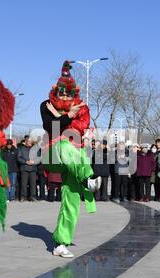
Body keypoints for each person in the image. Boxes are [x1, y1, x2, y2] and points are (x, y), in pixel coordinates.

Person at [40, 61, 101, 258]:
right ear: (56, 91)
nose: (64, 96)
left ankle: (60, 243)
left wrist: (61, 115)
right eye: (61, 92)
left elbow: (80, 128)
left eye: (68, 93)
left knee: (71, 200)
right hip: (54, 153)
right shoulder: (45, 105)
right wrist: (66, 116)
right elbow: (52, 128)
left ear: (74, 93)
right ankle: (88, 178)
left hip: (75, 159)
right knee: (66, 145)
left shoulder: (81, 107)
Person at [17, 137, 39, 202]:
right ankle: (23, 197)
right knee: (23, 184)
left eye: (30, 141)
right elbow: (18, 158)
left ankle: (33, 197)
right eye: (28, 141)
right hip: (24, 168)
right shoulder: (21, 149)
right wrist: (25, 161)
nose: (30, 142)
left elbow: (39, 158)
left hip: (33, 168)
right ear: (26, 142)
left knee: (33, 184)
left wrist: (34, 162)